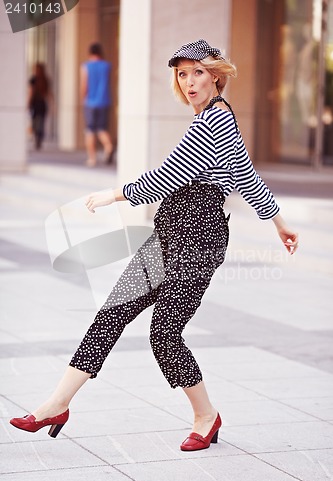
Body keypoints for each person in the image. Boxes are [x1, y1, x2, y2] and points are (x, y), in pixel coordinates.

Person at [10, 40, 298, 451]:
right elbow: (247, 177)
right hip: (168, 235)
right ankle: (56, 405)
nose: (190, 81)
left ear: (215, 75)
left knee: (164, 332)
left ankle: (206, 416)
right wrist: (280, 224)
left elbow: (172, 174)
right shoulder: (217, 117)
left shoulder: (213, 122)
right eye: (182, 74)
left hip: (199, 241)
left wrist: (116, 194)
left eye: (198, 72)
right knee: (111, 314)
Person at [81, 42, 113, 167]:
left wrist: (83, 98)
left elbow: (84, 84)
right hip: (104, 101)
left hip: (90, 102)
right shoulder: (107, 66)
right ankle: (108, 146)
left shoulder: (86, 66)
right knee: (102, 128)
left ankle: (92, 158)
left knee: (90, 130)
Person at [28, 62, 52, 150]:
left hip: (35, 103)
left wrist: (28, 103)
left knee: (35, 122)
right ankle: (39, 138)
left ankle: (37, 138)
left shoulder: (33, 79)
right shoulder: (45, 79)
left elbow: (31, 93)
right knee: (41, 122)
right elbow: (49, 93)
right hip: (42, 104)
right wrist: (51, 104)